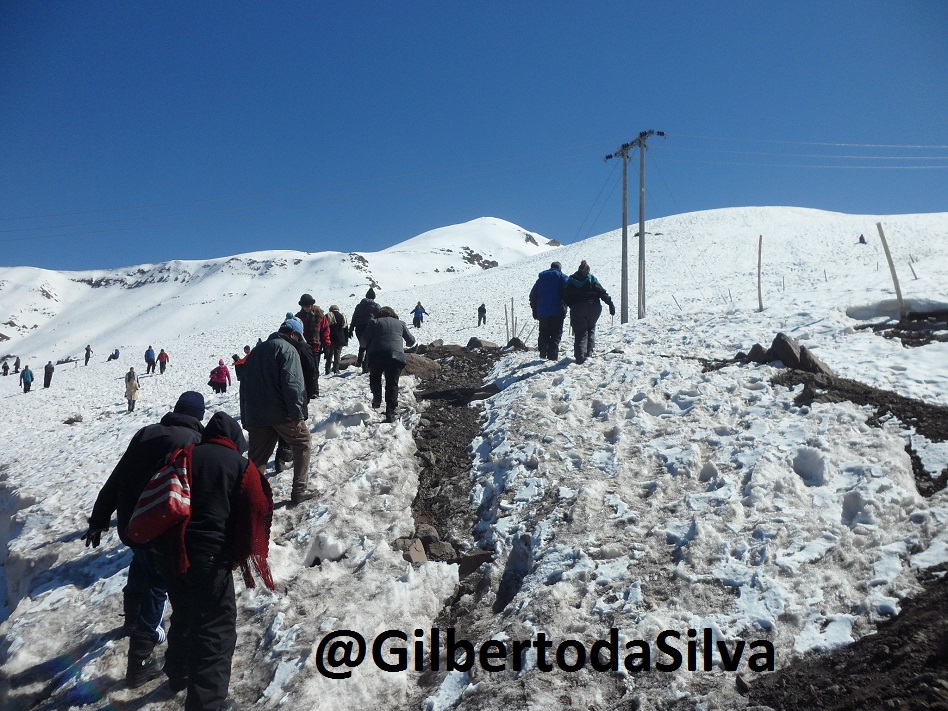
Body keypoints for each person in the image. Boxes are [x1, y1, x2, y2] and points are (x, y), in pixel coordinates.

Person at [149, 411, 274, 710]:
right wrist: (239, 554)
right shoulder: (240, 466)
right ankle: (207, 703)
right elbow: (257, 510)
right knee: (216, 631)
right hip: (209, 558)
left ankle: (178, 674)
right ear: (234, 440)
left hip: (170, 552)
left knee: (184, 613)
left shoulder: (185, 455)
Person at [82, 391, 206, 688]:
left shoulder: (147, 433)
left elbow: (118, 475)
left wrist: (100, 518)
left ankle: (132, 617)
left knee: (141, 563)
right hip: (159, 523)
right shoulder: (193, 443)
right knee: (158, 582)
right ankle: (140, 659)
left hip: (130, 521)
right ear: (198, 416)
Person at [239, 316, 313, 505]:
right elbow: (293, 384)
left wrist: (246, 417)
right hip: (281, 412)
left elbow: (244, 387)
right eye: (299, 337)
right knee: (302, 442)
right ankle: (299, 490)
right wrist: (297, 415)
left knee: (257, 459)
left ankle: (248, 500)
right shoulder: (288, 349)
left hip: (256, 413)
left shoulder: (256, 352)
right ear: (294, 333)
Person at [363, 306, 416, 423]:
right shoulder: (400, 323)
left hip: (376, 355)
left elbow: (363, 341)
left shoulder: (374, 322)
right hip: (396, 356)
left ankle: (377, 398)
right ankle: (390, 412)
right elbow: (411, 341)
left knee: (375, 377)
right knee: (392, 383)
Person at [562, 260, 615, 365]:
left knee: (580, 332)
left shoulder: (571, 279)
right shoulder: (592, 279)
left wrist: (571, 305)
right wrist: (610, 303)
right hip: (594, 307)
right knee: (591, 328)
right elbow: (601, 292)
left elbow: (564, 295)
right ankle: (589, 354)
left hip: (578, 308)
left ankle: (579, 357)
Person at [529, 261, 569, 361]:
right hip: (557, 311)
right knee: (556, 332)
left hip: (542, 312)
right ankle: (553, 355)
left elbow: (532, 295)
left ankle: (543, 351)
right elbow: (569, 291)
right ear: (560, 268)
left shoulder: (541, 279)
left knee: (543, 332)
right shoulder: (562, 277)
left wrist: (534, 309)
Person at [296, 295, 330, 395]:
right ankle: (305, 389)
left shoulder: (320, 315)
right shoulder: (298, 317)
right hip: (302, 347)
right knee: (304, 368)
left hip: (315, 346)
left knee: (314, 368)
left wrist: (327, 345)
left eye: (309, 305)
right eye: (305, 306)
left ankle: (314, 390)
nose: (307, 307)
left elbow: (325, 331)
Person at [349, 288, 380, 370]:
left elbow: (354, 317)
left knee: (362, 344)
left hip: (359, 327)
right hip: (370, 326)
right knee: (369, 346)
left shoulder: (359, 306)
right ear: (374, 297)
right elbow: (379, 318)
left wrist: (351, 329)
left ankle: (359, 361)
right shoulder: (376, 306)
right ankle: (365, 365)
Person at [324, 305, 349, 375]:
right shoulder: (342, 316)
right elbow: (346, 329)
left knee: (329, 354)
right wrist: (346, 340)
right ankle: (336, 369)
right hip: (340, 339)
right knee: (337, 354)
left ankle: (327, 369)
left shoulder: (327, 316)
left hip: (330, 338)